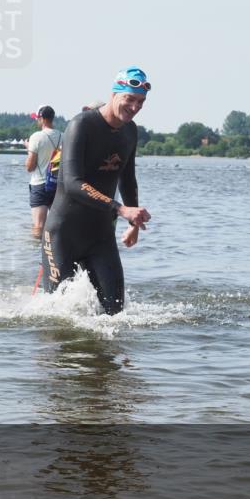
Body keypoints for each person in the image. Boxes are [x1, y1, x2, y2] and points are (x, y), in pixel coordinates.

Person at [40, 66, 152, 315]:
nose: (135, 107)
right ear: (114, 94)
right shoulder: (82, 125)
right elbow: (72, 182)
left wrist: (133, 225)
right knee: (58, 315)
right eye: (129, 99)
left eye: (141, 102)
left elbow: (128, 178)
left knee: (116, 313)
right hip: (63, 233)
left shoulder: (130, 131)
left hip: (100, 235)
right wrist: (120, 209)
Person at [25, 105, 63, 237]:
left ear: (42, 119)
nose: (36, 121)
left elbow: (30, 167)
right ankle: (54, 251)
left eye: (37, 118)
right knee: (57, 225)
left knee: (38, 225)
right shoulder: (63, 136)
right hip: (57, 185)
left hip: (39, 185)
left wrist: (29, 148)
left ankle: (36, 251)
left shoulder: (36, 137)